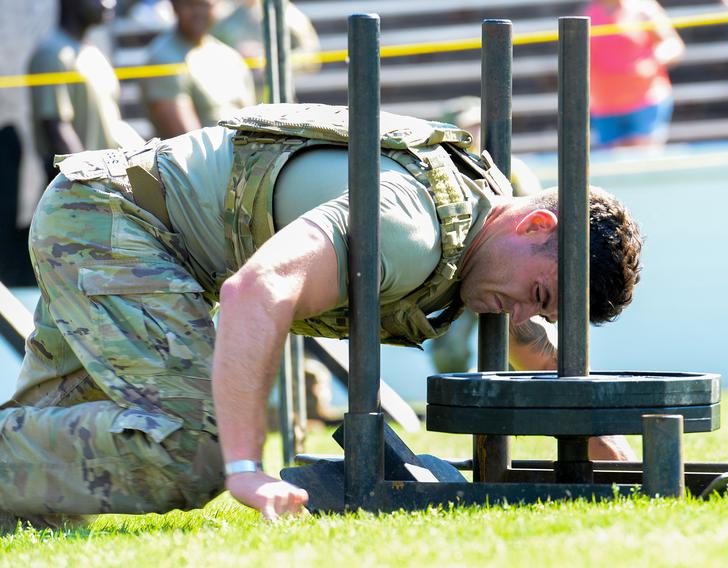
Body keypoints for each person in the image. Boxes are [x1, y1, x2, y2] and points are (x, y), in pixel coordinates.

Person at [0, 103, 643, 523]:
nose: (523, 311)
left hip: (129, 223)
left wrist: (591, 430)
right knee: (194, 451)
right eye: (540, 292)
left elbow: (524, 333)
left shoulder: (481, 229)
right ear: (536, 225)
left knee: (37, 479)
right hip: (117, 222)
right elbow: (256, 292)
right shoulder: (410, 229)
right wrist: (246, 469)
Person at [429, 96, 545, 375]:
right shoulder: (437, 169)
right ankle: (461, 402)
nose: (474, 135)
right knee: (449, 353)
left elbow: (536, 218)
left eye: (478, 126)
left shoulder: (511, 169)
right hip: (454, 274)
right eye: (467, 127)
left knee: (518, 351)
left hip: (507, 273)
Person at [28, 0, 143, 183]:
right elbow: (56, 128)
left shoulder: (92, 51)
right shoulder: (52, 54)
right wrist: (90, 182)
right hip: (80, 197)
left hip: (110, 186)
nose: (109, 4)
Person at [141, 0, 256, 139]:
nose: (198, 12)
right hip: (204, 158)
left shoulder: (230, 56)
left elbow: (253, 119)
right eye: (190, 4)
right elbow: (188, 142)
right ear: (175, 6)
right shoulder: (163, 59)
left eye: (204, 5)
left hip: (244, 154)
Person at [584, 0, 685, 149]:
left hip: (645, 102)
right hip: (604, 107)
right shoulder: (588, 13)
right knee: (613, 166)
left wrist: (652, 62)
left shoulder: (643, 8)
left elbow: (673, 45)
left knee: (643, 162)